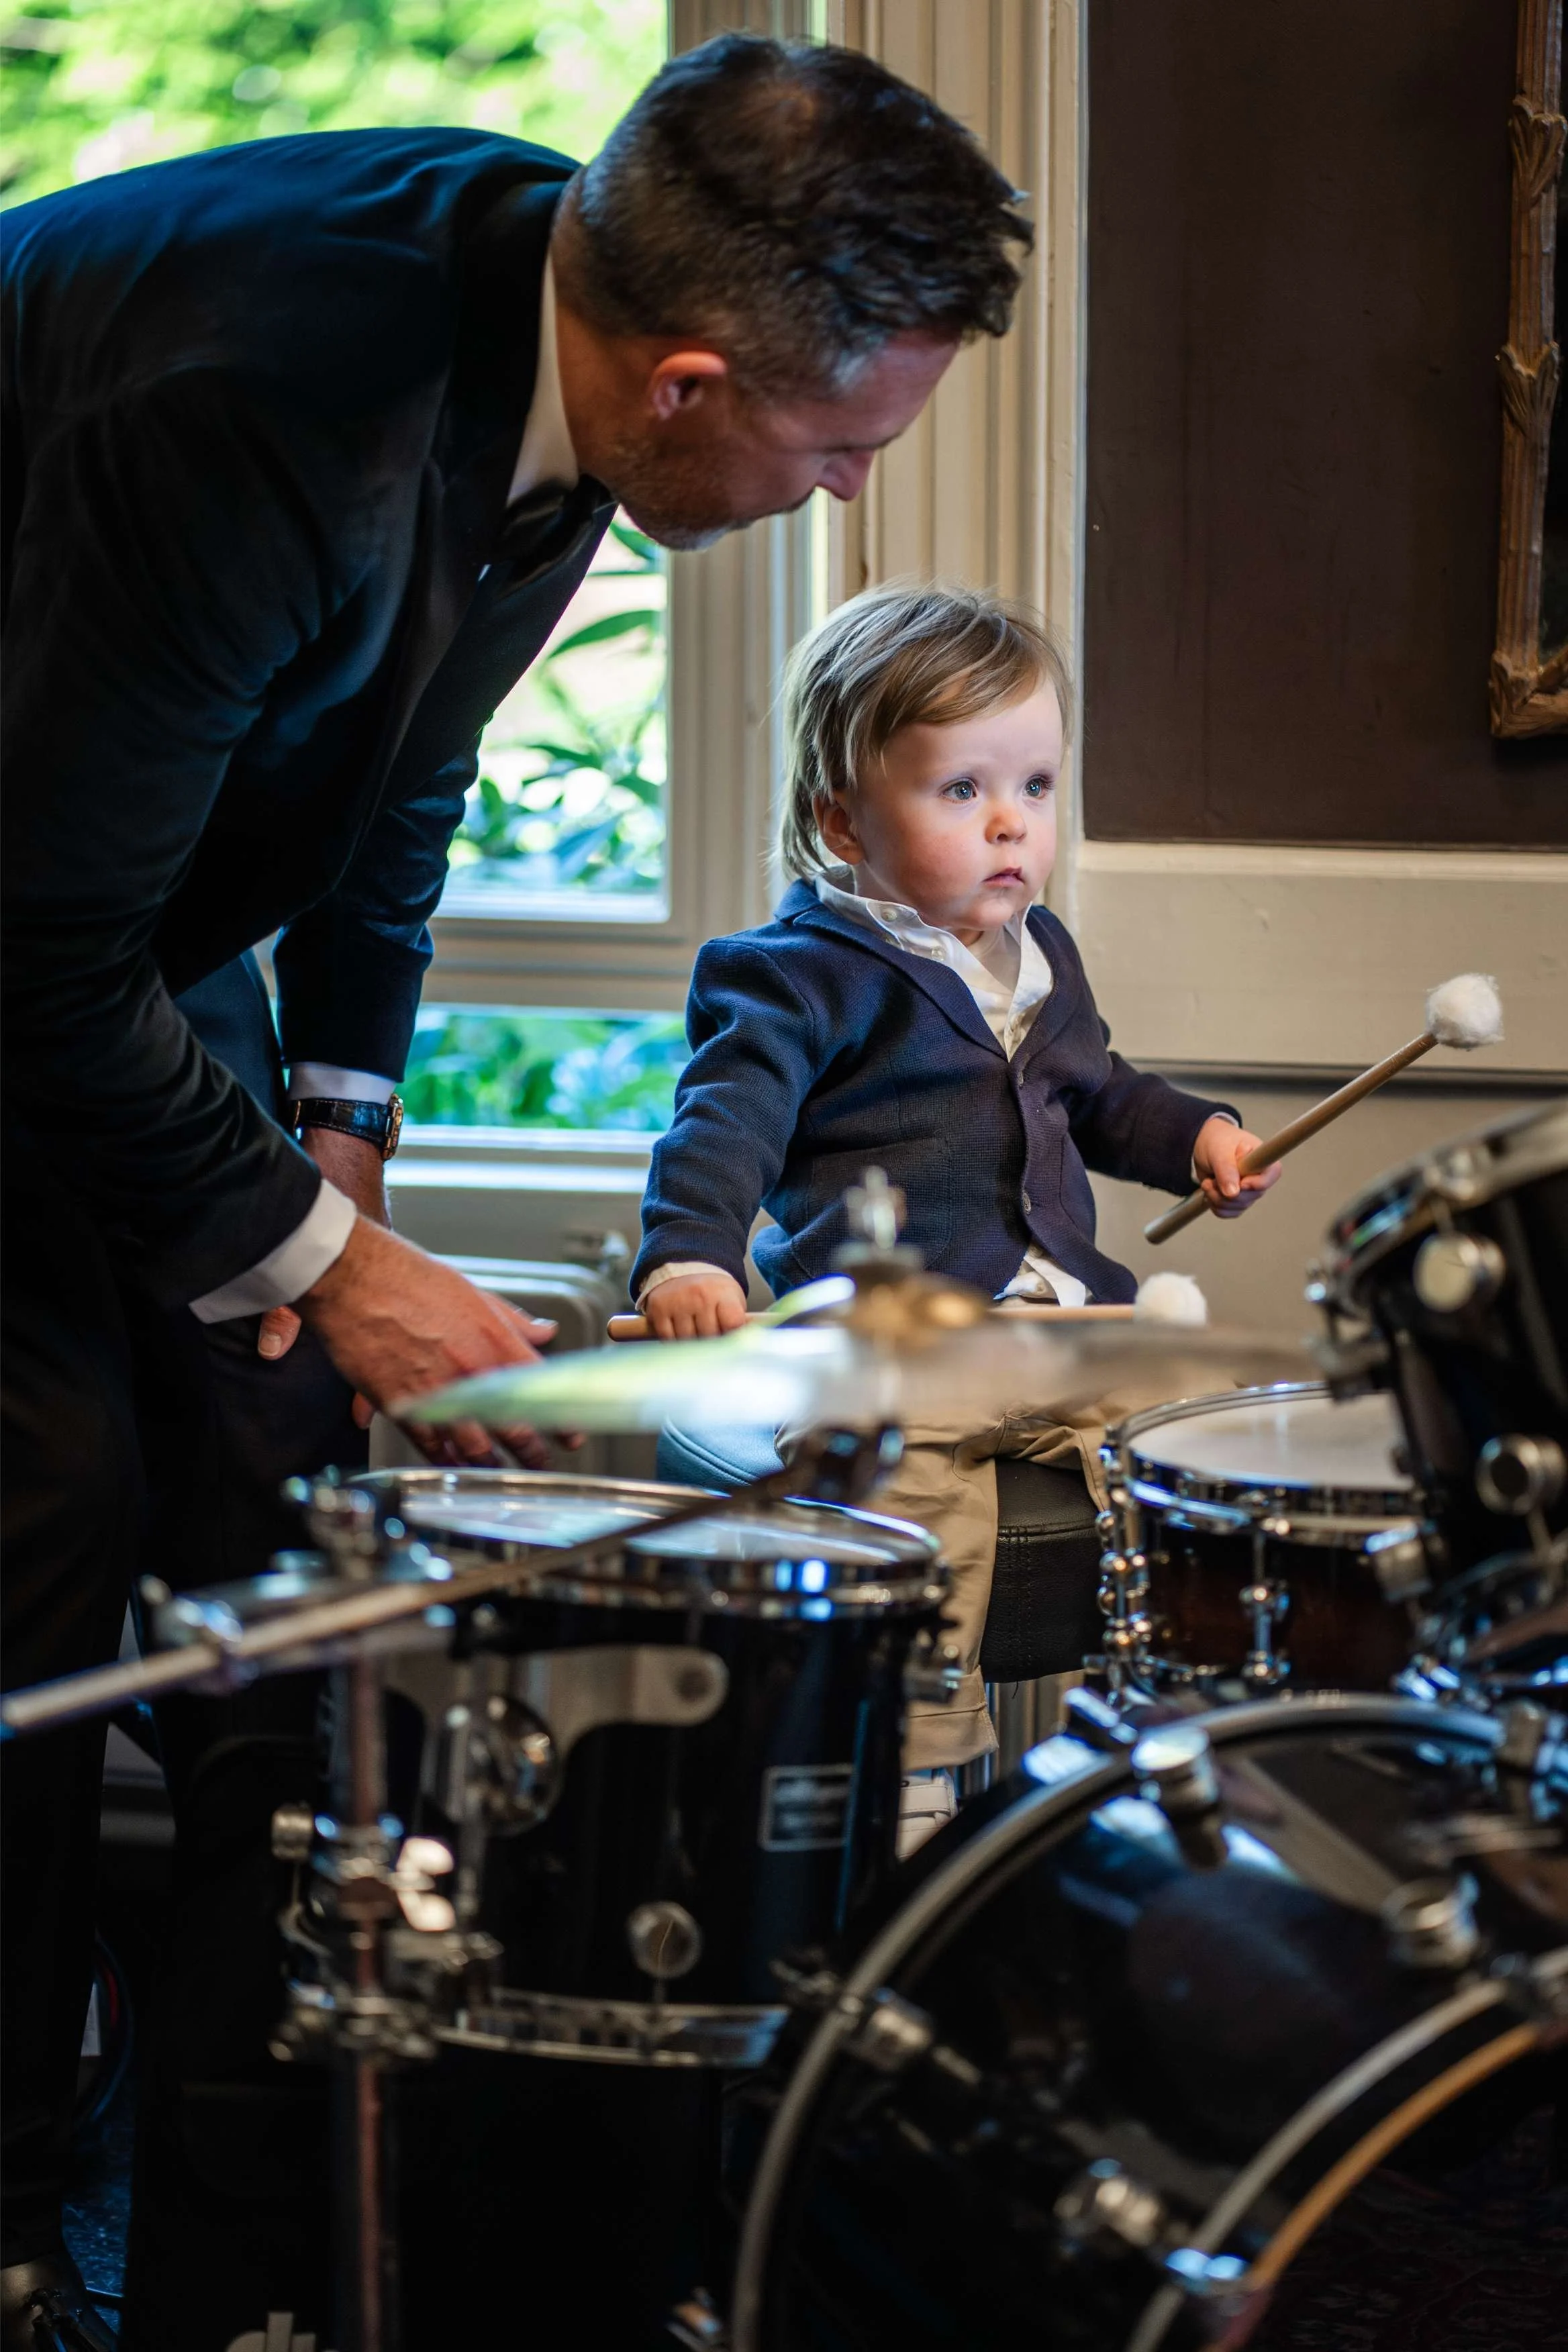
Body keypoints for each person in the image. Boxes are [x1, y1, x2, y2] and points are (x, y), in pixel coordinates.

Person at [0, 36, 1034, 2347]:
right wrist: (331, 1263)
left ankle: (246, 2237)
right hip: (31, 926)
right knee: (47, 1502)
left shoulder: (563, 328)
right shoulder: (264, 403)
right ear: (689, 385)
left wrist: (339, 1136)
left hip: (103, 922)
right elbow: (37, 947)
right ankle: (11, 2200)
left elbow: (396, 779)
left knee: (283, 1502)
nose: (854, 491)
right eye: (841, 448)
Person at [632, 583, 1282, 1839]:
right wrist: (688, 1261)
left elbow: (1100, 1095)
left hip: (1060, 1331)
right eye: (962, 790)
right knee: (911, 1502)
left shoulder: (1041, 955)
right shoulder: (790, 976)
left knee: (1196, 1446)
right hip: (898, 1345)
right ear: (842, 819)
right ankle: (916, 1764)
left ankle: (1161, 1726)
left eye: (1035, 786)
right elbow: (723, 1129)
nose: (1010, 824)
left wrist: (1199, 1136)